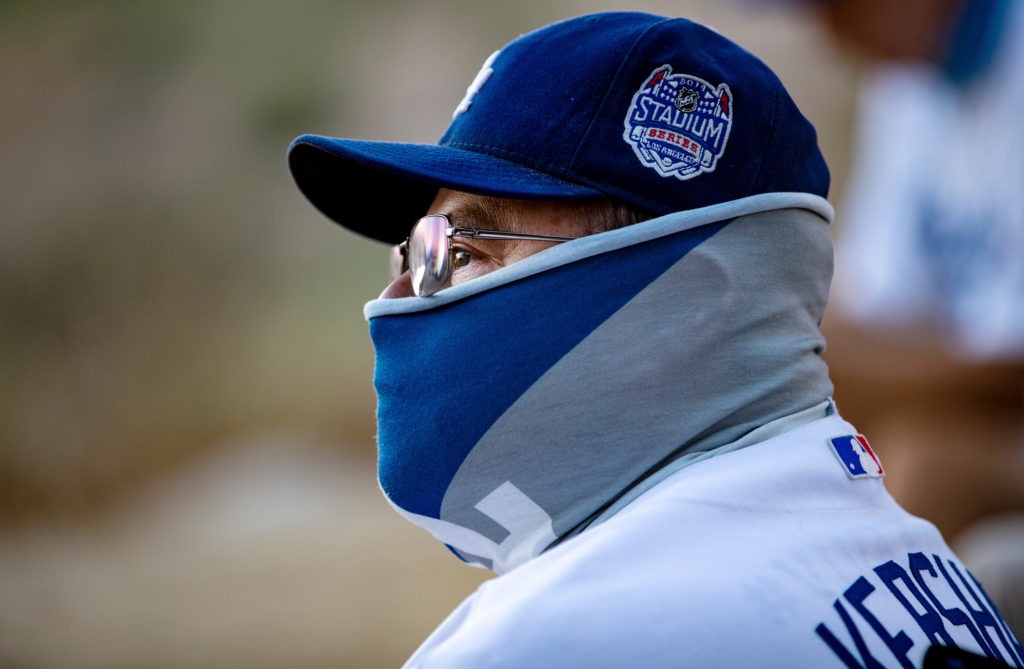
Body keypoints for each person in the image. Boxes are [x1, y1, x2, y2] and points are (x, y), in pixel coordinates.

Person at [287, 11, 1023, 667]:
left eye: (463, 249)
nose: (399, 298)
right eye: (412, 250)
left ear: (682, 294)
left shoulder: (545, 640)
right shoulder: (936, 573)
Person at [792, 0, 1024, 633]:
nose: (829, 34)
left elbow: (1010, 370)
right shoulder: (906, 81)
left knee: (924, 466)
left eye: (841, 8)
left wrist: (807, 354)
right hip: (964, 398)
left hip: (1000, 418)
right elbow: (876, 301)